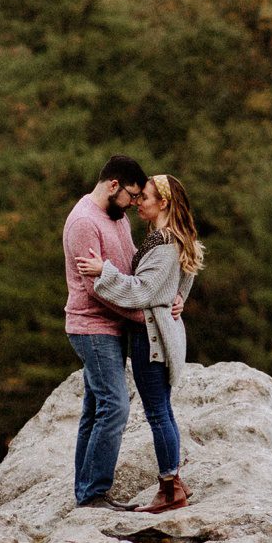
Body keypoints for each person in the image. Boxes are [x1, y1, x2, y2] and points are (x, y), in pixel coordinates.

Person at [76, 172, 204, 514]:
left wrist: (104, 271)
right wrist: (178, 295)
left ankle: (170, 488)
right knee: (162, 410)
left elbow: (143, 291)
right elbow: (185, 274)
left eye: (144, 197)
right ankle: (174, 480)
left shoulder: (164, 245)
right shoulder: (165, 238)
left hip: (152, 339)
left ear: (162, 203)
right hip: (154, 334)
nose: (137, 202)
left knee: (158, 413)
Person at [63, 154, 149, 510]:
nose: (134, 202)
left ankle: (86, 491)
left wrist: (162, 292)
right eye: (131, 194)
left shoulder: (118, 217)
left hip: (111, 327)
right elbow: (98, 287)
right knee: (115, 406)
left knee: (95, 407)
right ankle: (95, 492)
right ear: (113, 185)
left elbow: (130, 267)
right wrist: (143, 314)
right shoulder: (85, 221)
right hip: (92, 327)